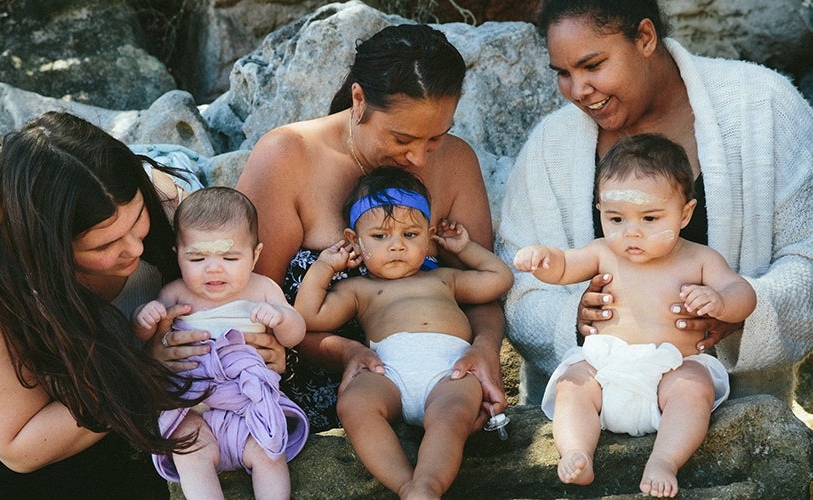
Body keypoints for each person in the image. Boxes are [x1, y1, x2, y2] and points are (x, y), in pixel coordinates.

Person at [496, 0, 813, 406]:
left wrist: (741, 310)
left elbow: (806, 255)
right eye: (563, 73)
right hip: (592, 417)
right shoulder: (550, 147)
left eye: (593, 66)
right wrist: (572, 320)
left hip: (738, 417)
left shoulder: (762, 107)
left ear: (645, 37)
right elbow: (517, 284)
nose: (577, 90)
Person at [236, 23, 507, 432]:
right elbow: (251, 303)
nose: (419, 158)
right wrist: (346, 353)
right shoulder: (287, 158)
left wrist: (485, 350)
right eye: (402, 138)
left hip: (439, 382)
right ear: (359, 99)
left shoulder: (455, 162)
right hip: (311, 379)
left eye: (436, 138)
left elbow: (479, 288)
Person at [0, 111, 215, 498]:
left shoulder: (155, 194)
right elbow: (19, 446)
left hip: (122, 398)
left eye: (137, 219)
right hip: (2, 439)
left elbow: (233, 289)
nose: (135, 249)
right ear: (48, 250)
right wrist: (145, 376)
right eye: (104, 246)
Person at [514, 134, 756, 497]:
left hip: (672, 370)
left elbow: (743, 294)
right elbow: (564, 267)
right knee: (573, 385)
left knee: (695, 389)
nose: (632, 232)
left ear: (685, 213)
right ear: (600, 211)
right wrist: (543, 259)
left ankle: (664, 460)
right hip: (604, 365)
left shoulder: (700, 259)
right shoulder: (602, 252)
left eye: (649, 217)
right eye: (616, 218)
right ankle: (577, 450)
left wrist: (720, 301)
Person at [294, 168, 513, 498]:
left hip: (450, 371)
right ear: (355, 241)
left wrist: (465, 248)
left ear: (427, 237)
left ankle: (427, 486)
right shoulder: (360, 289)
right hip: (387, 372)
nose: (396, 246)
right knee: (354, 405)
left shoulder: (444, 279)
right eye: (380, 237)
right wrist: (324, 267)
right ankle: (405, 485)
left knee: (452, 416)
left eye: (410, 235)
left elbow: (499, 279)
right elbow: (307, 316)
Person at [132, 187, 309, 500]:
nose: (213, 268)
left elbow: (294, 336)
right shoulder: (175, 293)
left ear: (255, 254)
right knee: (187, 450)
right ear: (178, 254)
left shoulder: (263, 289)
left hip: (250, 406)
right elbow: (149, 342)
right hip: (194, 408)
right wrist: (145, 318)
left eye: (230, 257)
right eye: (197, 257)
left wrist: (282, 318)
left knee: (270, 451)